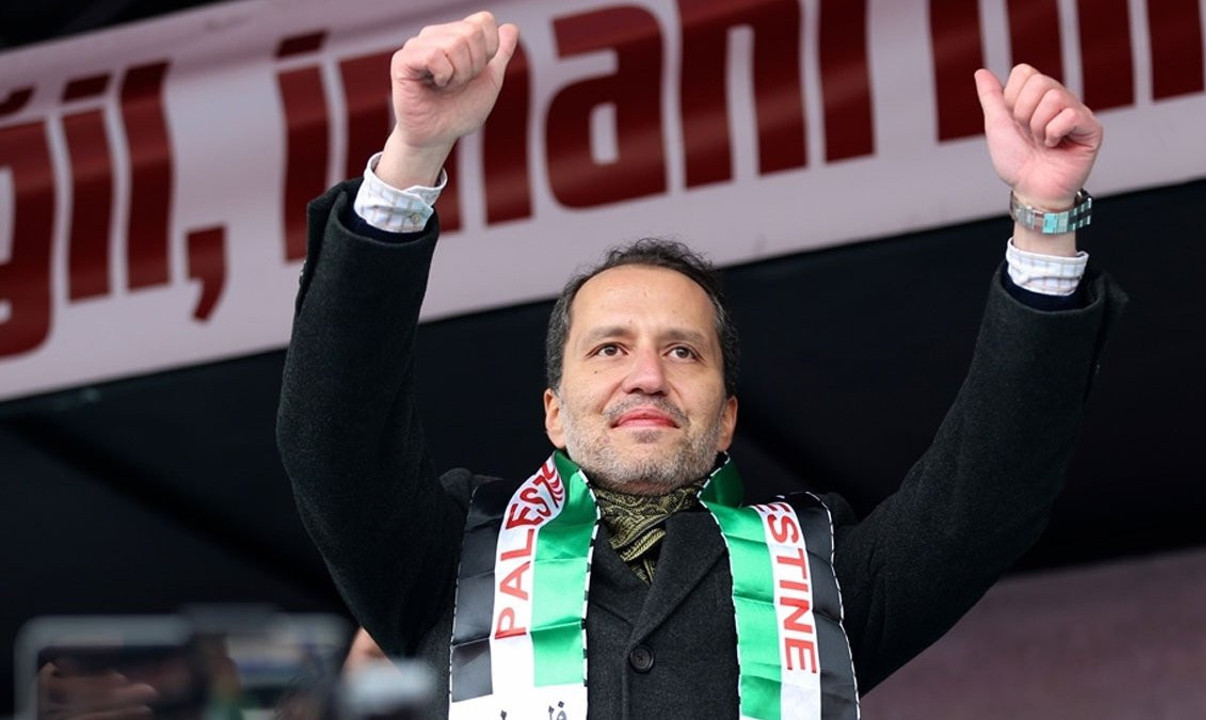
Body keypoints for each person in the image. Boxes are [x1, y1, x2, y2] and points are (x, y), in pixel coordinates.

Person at [277, 11, 1125, 720]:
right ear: (554, 412)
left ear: (727, 420)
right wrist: (412, 159)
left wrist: (1045, 219)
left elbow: (988, 493)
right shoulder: (445, 562)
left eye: (682, 351)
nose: (647, 375)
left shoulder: (817, 575)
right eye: (609, 348)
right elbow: (333, 433)